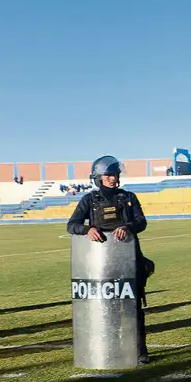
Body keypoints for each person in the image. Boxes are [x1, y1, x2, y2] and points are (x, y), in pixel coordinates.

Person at [66, 155, 153, 365]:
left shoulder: (128, 197)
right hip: (102, 265)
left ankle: (140, 351)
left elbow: (141, 221)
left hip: (130, 261)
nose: (114, 178)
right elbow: (72, 225)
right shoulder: (89, 200)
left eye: (115, 174)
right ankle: (112, 349)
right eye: (109, 175)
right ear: (98, 178)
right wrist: (88, 229)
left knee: (133, 308)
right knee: (110, 308)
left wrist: (128, 227)